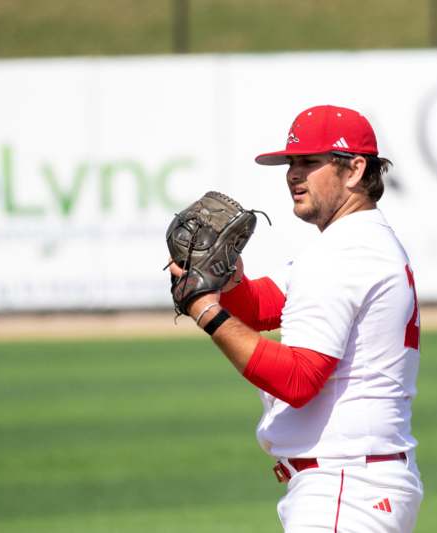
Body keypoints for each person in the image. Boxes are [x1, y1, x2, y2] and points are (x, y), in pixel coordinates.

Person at [171, 104, 423, 532]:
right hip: (354, 482)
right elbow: (264, 305)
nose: (293, 174)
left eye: (309, 162)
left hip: (346, 486)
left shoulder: (345, 254)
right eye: (291, 162)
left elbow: (299, 380)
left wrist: (208, 312)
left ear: (355, 169)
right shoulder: (355, 242)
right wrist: (227, 283)